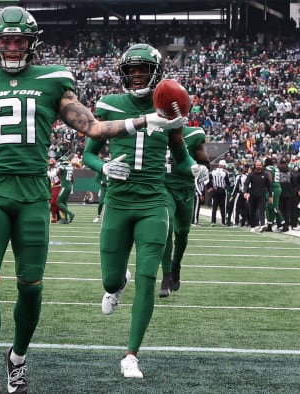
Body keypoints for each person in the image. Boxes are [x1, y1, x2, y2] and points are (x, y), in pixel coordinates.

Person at [0, 9, 184, 392]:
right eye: (5, 40)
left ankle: (18, 358)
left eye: (19, 40)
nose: (11, 46)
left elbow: (92, 127)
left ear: (31, 42)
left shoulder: (54, 79)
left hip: (33, 193)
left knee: (31, 285)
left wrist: (144, 121)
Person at [82, 43, 201, 379]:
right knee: (111, 277)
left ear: (156, 73)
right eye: (132, 70)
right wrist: (104, 168)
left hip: (153, 199)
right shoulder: (109, 104)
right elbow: (88, 154)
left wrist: (193, 168)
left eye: (143, 70)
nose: (137, 76)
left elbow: (180, 155)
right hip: (118, 200)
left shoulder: (170, 107)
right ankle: (118, 284)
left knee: (148, 277)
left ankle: (131, 355)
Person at [158, 125, 209, 296]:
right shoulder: (154, 130)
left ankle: (176, 264)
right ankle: (165, 276)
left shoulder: (194, 134)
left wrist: (203, 168)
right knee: (167, 226)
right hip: (164, 187)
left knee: (182, 233)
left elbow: (204, 160)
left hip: (186, 189)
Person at [244, 160, 272, 232]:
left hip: (262, 196)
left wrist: (270, 196)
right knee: (252, 211)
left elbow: (269, 186)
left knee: (262, 211)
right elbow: (246, 183)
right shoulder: (251, 174)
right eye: (257, 165)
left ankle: (262, 225)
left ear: (262, 166)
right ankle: (253, 226)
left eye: (260, 165)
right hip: (252, 195)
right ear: (255, 166)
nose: (258, 166)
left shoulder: (265, 174)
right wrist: (245, 192)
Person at [208, 160, 230, 226]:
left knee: (214, 207)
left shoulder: (213, 171)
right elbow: (227, 182)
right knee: (222, 207)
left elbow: (209, 180)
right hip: (222, 190)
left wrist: (210, 187)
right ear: (223, 165)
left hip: (215, 190)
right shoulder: (225, 172)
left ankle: (213, 222)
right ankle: (223, 222)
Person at [56, 155, 75, 224]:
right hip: (69, 186)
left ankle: (70, 214)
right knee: (64, 202)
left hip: (64, 186)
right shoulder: (71, 167)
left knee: (58, 202)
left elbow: (57, 173)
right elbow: (73, 180)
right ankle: (66, 219)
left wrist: (61, 179)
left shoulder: (62, 167)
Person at [48, 158, 62, 223]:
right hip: (52, 188)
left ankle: (55, 217)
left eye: (52, 164)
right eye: (50, 164)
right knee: (54, 203)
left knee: (53, 203)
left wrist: (54, 183)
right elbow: (48, 179)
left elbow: (60, 179)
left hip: (58, 187)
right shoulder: (48, 171)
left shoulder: (57, 170)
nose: (51, 165)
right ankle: (57, 217)